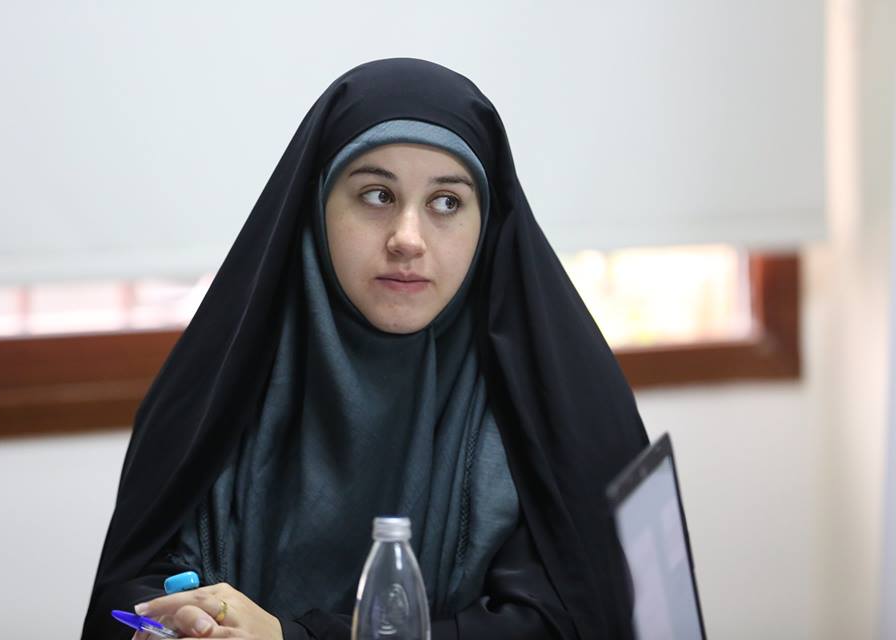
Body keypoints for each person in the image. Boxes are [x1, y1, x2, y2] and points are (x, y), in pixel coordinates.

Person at [81, 58, 649, 640]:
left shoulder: (557, 407)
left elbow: (566, 624)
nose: (407, 238)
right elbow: (130, 590)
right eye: (377, 195)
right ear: (316, 205)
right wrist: (183, 621)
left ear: (488, 221)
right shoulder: (218, 381)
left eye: (446, 202)